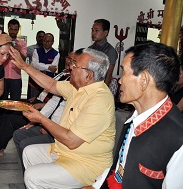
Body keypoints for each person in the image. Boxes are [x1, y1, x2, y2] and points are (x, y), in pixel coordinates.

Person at [9, 47, 115, 188]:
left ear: (88, 75)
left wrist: (41, 119)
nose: (71, 67)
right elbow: (51, 84)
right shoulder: (78, 87)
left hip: (86, 164)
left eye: (76, 65)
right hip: (64, 152)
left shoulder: (99, 100)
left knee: (32, 176)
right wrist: (24, 66)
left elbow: (71, 141)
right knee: (29, 152)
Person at [85, 42, 183, 189]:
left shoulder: (177, 137)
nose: (119, 80)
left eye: (124, 72)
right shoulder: (137, 116)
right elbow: (120, 166)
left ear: (143, 80)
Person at [0, 51, 74, 157]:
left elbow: (58, 102)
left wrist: (40, 112)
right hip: (40, 103)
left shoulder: (73, 83)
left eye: (73, 60)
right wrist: (38, 98)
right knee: (10, 110)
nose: (69, 62)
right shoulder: (63, 74)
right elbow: (51, 93)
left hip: (45, 110)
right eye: (68, 58)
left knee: (12, 117)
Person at [13, 50, 83, 162]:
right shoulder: (67, 79)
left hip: (61, 134)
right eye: (70, 60)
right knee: (18, 134)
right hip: (51, 125)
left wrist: (47, 125)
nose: (70, 65)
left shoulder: (88, 93)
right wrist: (37, 121)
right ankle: (29, 171)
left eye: (74, 62)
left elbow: (70, 131)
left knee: (26, 144)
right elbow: (53, 94)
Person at [0, 19, 27, 128]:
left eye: (15, 30)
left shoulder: (22, 43)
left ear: (18, 30)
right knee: (2, 100)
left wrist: (18, 50)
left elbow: (24, 59)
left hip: (16, 77)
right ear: (8, 28)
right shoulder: (3, 41)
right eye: (11, 29)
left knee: (16, 102)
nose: (13, 32)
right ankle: (1, 122)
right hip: (4, 76)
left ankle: (14, 123)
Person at [29, 33, 60, 98]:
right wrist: (48, 67)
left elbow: (53, 69)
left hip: (48, 83)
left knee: (45, 102)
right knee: (33, 100)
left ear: (52, 42)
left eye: (48, 41)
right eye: (44, 41)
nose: (46, 43)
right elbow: (34, 64)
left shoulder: (56, 54)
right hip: (35, 81)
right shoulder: (36, 51)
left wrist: (40, 66)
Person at [89, 19, 117, 86]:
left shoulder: (110, 51)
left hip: (100, 87)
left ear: (105, 33)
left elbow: (108, 76)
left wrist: (102, 93)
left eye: (96, 30)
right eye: (92, 30)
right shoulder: (89, 49)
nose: (93, 33)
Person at [26, 30, 45, 99]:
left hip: (44, 77)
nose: (41, 38)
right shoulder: (30, 48)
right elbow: (23, 58)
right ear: (36, 38)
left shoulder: (47, 50)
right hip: (33, 76)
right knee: (32, 97)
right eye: (39, 37)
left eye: (43, 37)